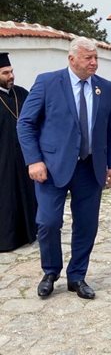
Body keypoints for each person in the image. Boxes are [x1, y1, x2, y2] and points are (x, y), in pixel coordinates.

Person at [17, 37, 111, 300]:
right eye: (88, 58)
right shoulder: (48, 83)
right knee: (48, 222)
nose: (94, 62)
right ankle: (50, 271)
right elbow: (25, 123)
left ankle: (77, 276)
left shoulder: (104, 88)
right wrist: (34, 160)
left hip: (90, 168)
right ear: (72, 59)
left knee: (87, 225)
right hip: (52, 167)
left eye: (96, 57)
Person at [0, 52, 37, 252]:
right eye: (6, 73)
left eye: (11, 71)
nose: (11, 76)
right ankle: (6, 240)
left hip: (24, 157)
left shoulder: (22, 94)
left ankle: (29, 232)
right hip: (3, 160)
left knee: (26, 194)